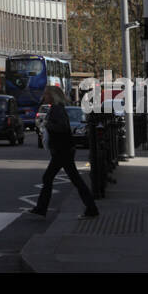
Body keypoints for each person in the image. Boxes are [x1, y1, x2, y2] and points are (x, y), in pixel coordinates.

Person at [29, 86, 98, 220]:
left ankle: (41, 208)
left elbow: (62, 127)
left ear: (52, 96)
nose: (44, 97)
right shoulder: (56, 108)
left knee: (50, 178)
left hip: (62, 150)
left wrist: (47, 125)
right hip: (64, 149)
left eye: (46, 94)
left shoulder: (56, 109)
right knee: (72, 180)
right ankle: (91, 208)